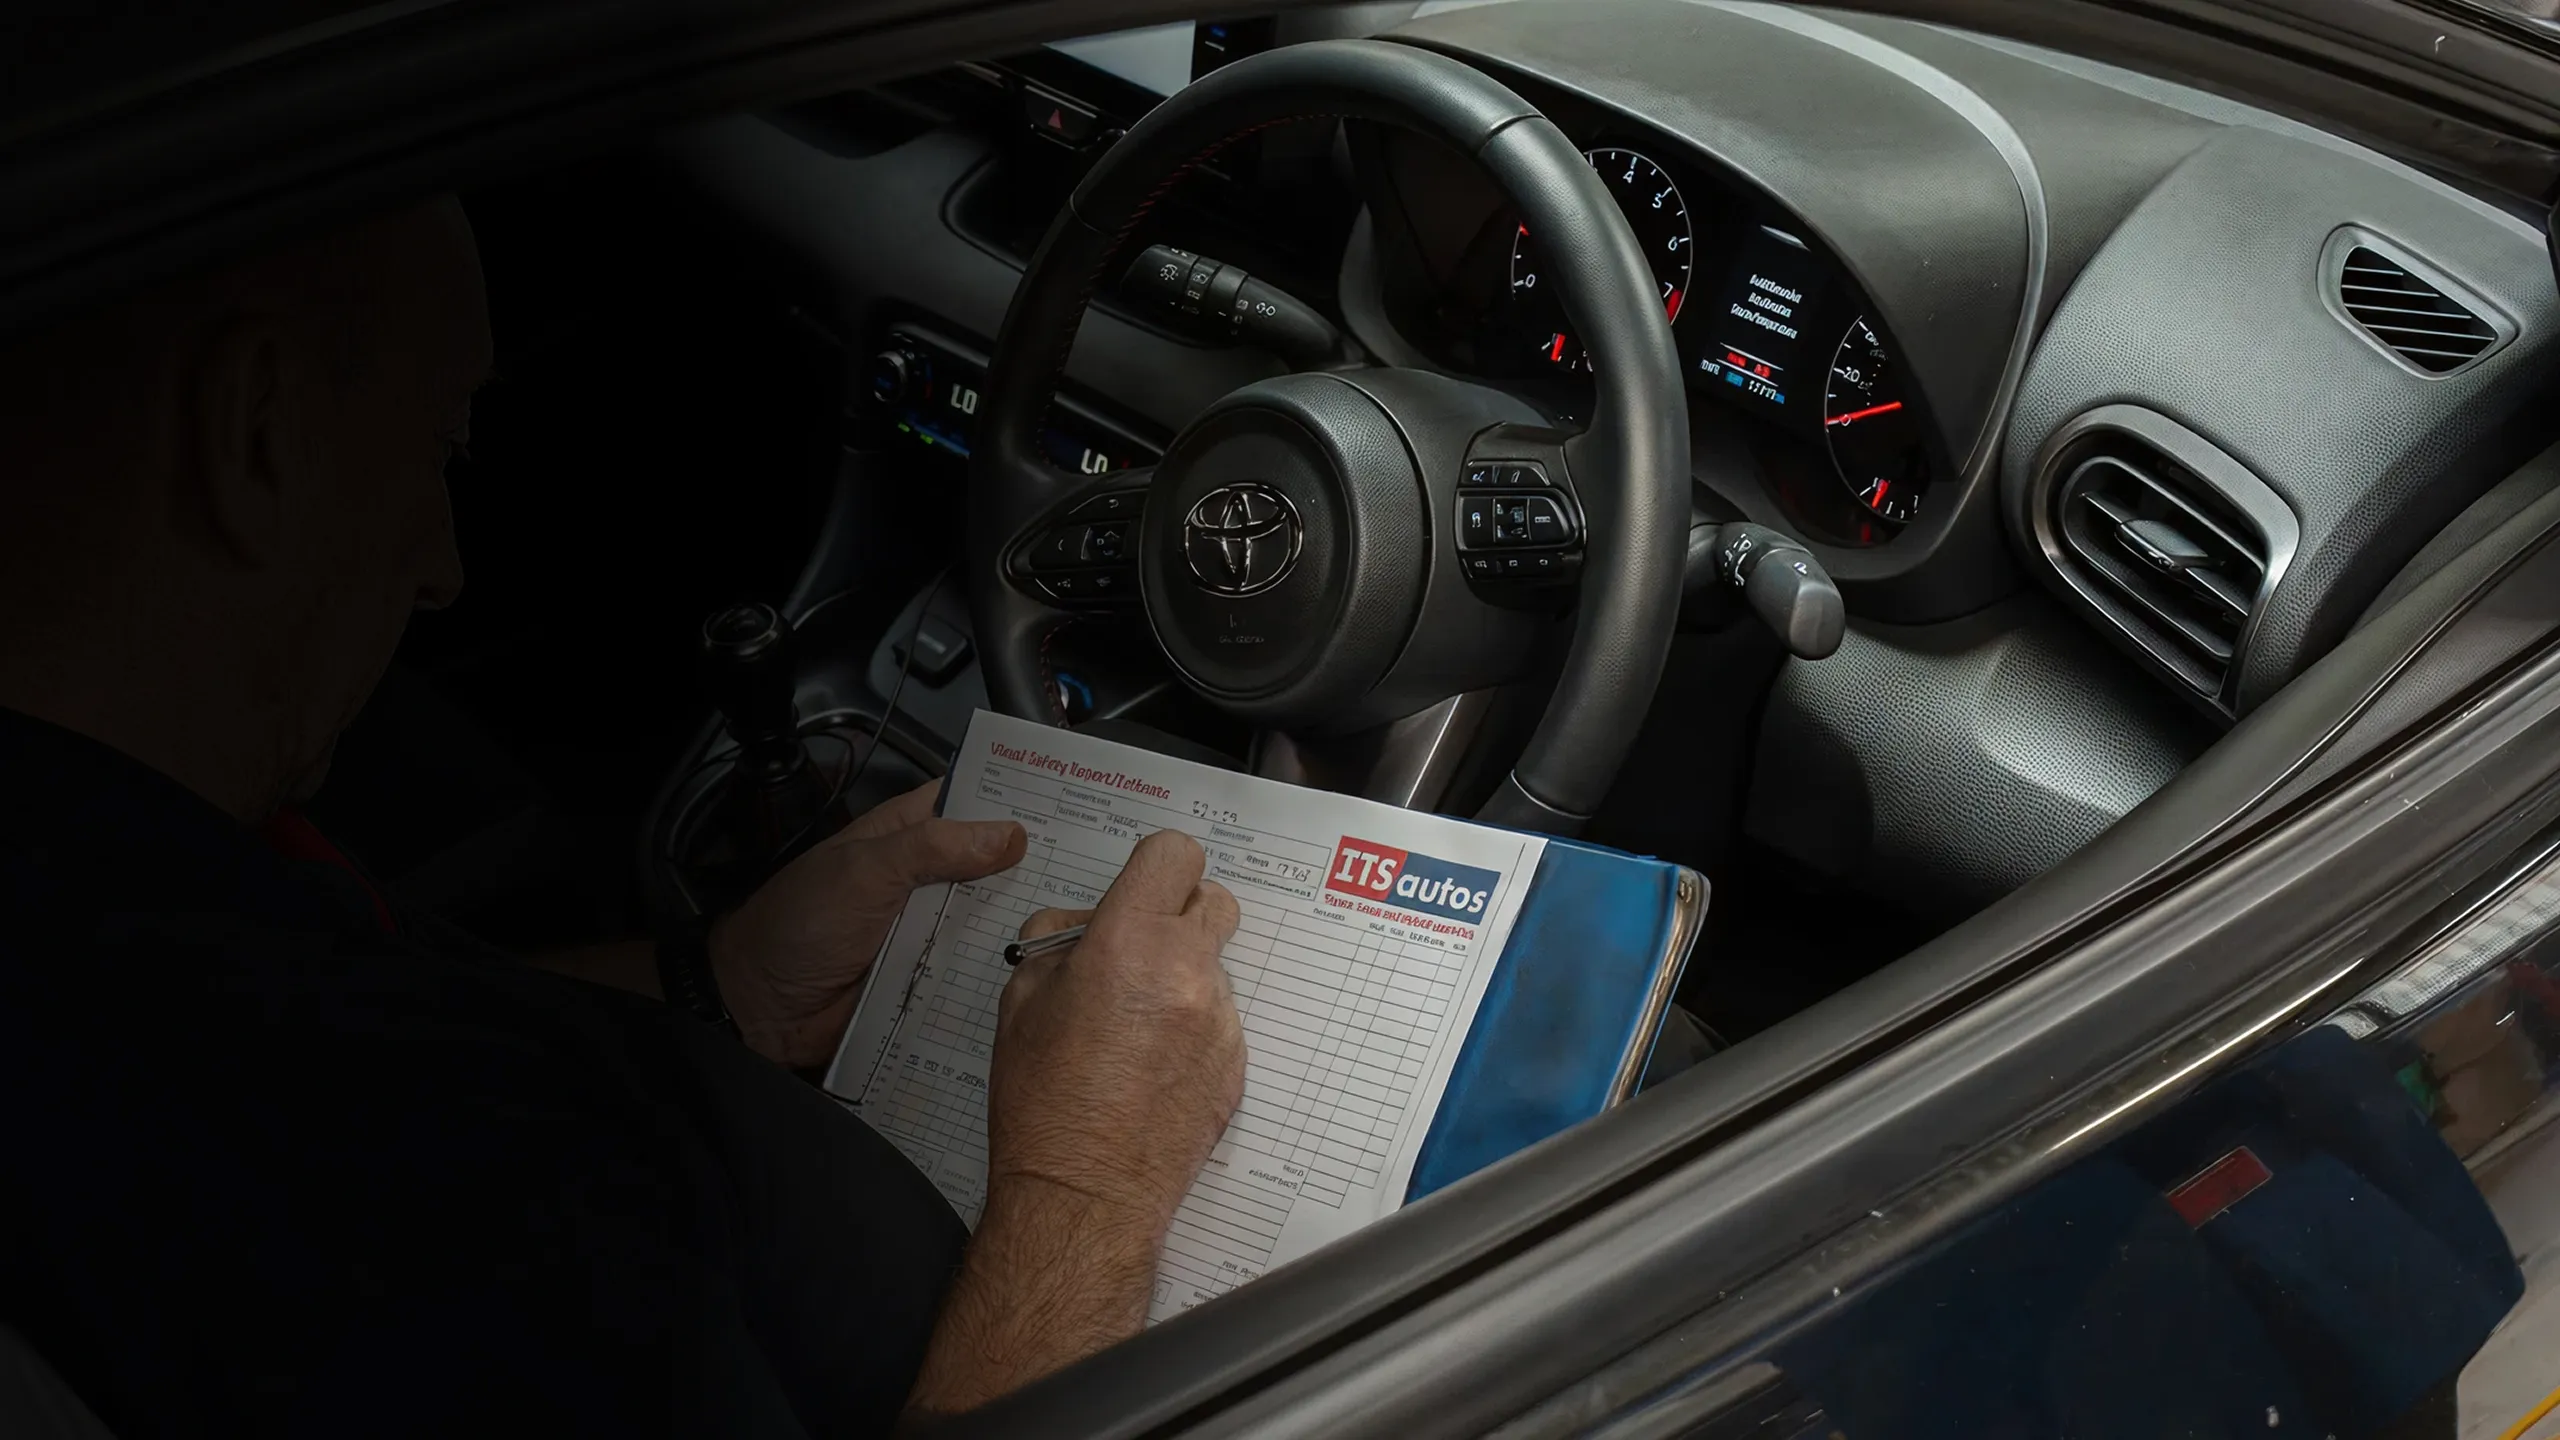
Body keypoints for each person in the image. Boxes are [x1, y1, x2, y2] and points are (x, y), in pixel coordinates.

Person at [0, 197, 1245, 1435]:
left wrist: (718, 985)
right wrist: (1081, 1183)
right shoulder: (365, 1165)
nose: (443, 567)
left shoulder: (118, 891)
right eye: (439, 449)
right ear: (252, 427)